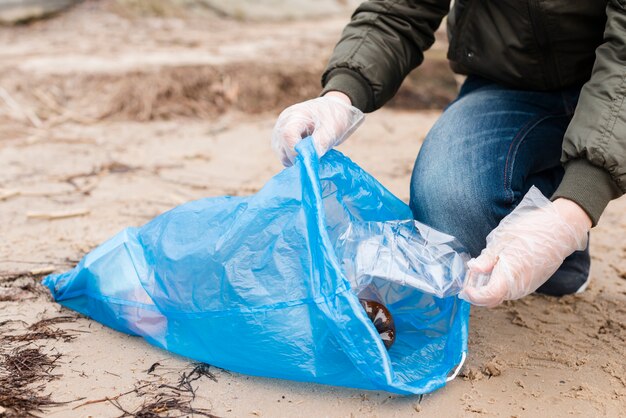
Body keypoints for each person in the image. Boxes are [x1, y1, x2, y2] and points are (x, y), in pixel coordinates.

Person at [270, 0, 626, 307]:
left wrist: (573, 212)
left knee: (543, 229)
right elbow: (399, 11)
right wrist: (339, 98)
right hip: (510, 87)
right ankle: (551, 227)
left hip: (612, 87)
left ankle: (564, 219)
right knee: (449, 210)